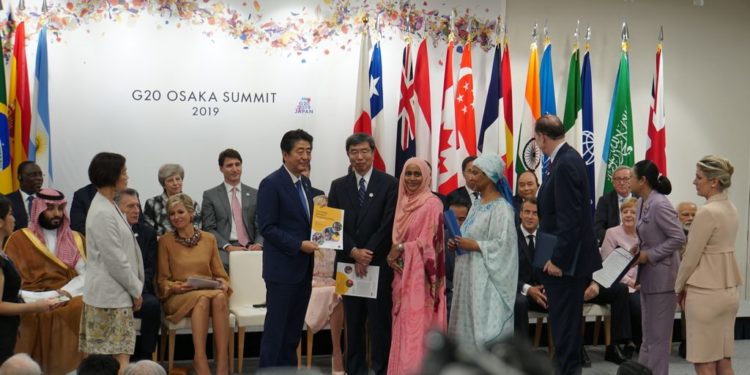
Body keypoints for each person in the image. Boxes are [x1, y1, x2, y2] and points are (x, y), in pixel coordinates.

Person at [534, 114, 601, 375]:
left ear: (542, 137)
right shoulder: (566, 159)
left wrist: (559, 260)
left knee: (565, 328)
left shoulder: (565, 164)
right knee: (564, 327)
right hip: (567, 260)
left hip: (566, 264)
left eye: (537, 139)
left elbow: (570, 220)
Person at [327, 133, 398, 375]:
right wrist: (354, 251)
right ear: (348, 155)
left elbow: (388, 224)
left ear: (373, 152)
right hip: (348, 264)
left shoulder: (389, 183)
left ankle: (381, 370)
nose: (360, 157)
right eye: (354, 152)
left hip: (377, 265)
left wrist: (367, 253)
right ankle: (354, 370)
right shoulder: (338, 186)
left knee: (379, 326)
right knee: (353, 326)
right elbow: (334, 227)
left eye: (364, 151)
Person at [4, 189, 87, 374]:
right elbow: (11, 281)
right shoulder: (19, 239)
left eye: (60, 208)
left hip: (66, 296)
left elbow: (86, 275)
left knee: (81, 306)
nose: (57, 214)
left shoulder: (74, 238)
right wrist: (41, 298)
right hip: (29, 297)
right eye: (50, 208)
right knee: (32, 313)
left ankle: (69, 371)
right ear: (38, 209)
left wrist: (62, 293)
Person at [675, 155, 742, 375]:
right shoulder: (731, 208)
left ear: (714, 181)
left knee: (704, 362)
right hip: (728, 293)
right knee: (724, 360)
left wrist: (678, 288)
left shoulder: (706, 212)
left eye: (699, 177)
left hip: (705, 295)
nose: (695, 181)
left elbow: (690, 258)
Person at [80, 152, 145, 375]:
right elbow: (115, 259)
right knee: (114, 361)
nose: (127, 176)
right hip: (109, 298)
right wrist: (136, 290)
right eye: (124, 172)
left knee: (118, 356)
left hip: (115, 295)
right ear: (112, 175)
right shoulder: (102, 212)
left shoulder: (109, 205)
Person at [256, 129, 317, 368]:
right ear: (285, 154)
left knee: (292, 333)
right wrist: (299, 245)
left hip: (303, 269)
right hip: (282, 270)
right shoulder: (271, 183)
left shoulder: (306, 183)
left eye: (309, 151)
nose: (305, 156)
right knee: (276, 332)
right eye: (300, 151)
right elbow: (267, 227)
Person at [157, 193, 231, 375]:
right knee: (204, 298)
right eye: (172, 214)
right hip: (178, 296)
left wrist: (222, 282)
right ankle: (200, 358)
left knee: (219, 296)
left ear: (191, 213)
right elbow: (162, 281)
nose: (176, 217)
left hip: (206, 293)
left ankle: (222, 362)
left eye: (180, 212)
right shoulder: (166, 241)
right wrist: (174, 286)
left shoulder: (209, 239)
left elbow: (221, 274)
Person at [448, 153, 517, 348]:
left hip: (486, 282)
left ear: (489, 176)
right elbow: (467, 233)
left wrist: (475, 245)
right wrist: (457, 242)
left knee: (482, 331)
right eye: (469, 172)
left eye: (475, 173)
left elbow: (505, 246)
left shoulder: (501, 209)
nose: (470, 177)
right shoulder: (477, 205)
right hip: (467, 277)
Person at [386, 157, 446, 375]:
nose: (412, 179)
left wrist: (401, 247)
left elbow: (431, 243)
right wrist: (396, 253)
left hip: (422, 279)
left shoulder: (432, 203)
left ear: (426, 177)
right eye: (408, 174)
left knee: (418, 327)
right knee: (403, 326)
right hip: (401, 275)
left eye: (417, 174)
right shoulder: (401, 201)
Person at [630, 159, 685, 375]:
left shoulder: (660, 204)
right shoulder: (641, 202)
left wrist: (649, 255)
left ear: (643, 181)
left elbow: (678, 238)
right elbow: (650, 235)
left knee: (659, 341)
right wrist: (638, 247)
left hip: (663, 280)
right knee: (649, 337)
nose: (629, 181)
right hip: (648, 278)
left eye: (632, 177)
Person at [0, 196, 63, 364]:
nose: (14, 219)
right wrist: (36, 306)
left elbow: (8, 292)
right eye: (11, 214)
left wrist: (47, 295)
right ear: (0, 222)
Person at [116, 189, 161, 360]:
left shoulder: (147, 233)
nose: (136, 210)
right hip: (117, 291)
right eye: (130, 206)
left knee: (152, 305)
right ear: (117, 209)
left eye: (138, 206)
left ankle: (146, 356)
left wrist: (137, 290)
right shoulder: (112, 232)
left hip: (141, 289)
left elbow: (150, 267)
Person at [304, 194, 345, 375]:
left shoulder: (338, 237)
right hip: (312, 285)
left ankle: (345, 353)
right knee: (334, 294)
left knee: (344, 294)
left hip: (334, 283)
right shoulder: (305, 238)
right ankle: (337, 353)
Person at [202, 148, 263, 269]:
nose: (235, 169)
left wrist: (258, 243)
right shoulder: (210, 195)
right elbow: (208, 228)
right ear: (221, 168)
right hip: (225, 247)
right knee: (224, 264)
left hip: (251, 246)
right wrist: (227, 246)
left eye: (237, 164)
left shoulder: (255, 194)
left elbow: (261, 225)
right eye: (229, 165)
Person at [600, 198, 642, 352]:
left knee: (648, 301)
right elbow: (607, 265)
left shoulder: (643, 234)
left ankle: (641, 342)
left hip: (641, 283)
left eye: (633, 212)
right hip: (619, 282)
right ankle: (632, 342)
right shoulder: (612, 233)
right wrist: (631, 282)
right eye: (625, 212)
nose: (628, 215)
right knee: (636, 303)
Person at [513, 198, 543, 339]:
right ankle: (523, 353)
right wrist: (528, 289)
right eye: (527, 212)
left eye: (535, 213)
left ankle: (570, 351)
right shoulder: (510, 237)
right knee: (519, 302)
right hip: (518, 290)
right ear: (520, 214)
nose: (530, 217)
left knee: (564, 297)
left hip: (541, 290)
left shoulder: (547, 238)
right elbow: (506, 273)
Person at [144, 164, 202, 236]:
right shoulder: (152, 203)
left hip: (189, 244)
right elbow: (148, 231)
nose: (175, 183)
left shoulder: (193, 203)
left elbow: (198, 229)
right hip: (161, 245)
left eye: (178, 179)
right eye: (170, 180)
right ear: (163, 184)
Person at [445, 196, 470, 318]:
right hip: (449, 292)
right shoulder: (439, 238)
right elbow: (436, 273)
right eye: (453, 219)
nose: (456, 224)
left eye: (461, 219)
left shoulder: (476, 239)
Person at [594, 166, 633, 245]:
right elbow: (597, 228)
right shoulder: (604, 201)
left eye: (625, 179)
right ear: (613, 182)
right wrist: (615, 238)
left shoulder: (640, 199)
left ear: (632, 180)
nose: (621, 183)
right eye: (618, 179)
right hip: (613, 245)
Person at [6, 161, 44, 230]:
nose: (39, 178)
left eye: (40, 175)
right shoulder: (7, 201)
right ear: (20, 177)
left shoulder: (49, 198)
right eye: (33, 175)